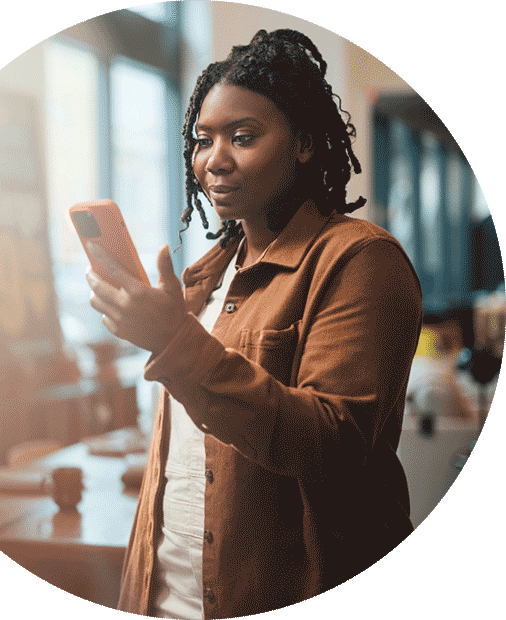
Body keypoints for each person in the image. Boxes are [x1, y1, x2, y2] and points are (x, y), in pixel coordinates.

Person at [86, 29, 423, 619]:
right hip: (167, 595)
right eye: (202, 140)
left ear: (304, 144)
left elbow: (335, 443)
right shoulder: (206, 274)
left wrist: (174, 342)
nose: (214, 160)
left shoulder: (359, 259)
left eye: (243, 137)